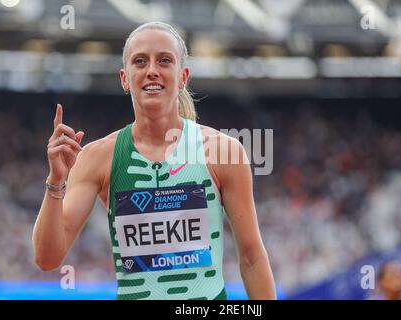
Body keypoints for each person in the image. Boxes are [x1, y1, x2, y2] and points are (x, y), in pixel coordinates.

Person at [32, 21, 276, 300]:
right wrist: (55, 182)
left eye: (164, 60)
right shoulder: (98, 158)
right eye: (140, 61)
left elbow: (252, 257)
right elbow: (47, 259)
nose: (152, 71)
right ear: (124, 78)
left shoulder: (224, 152)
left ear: (183, 76)